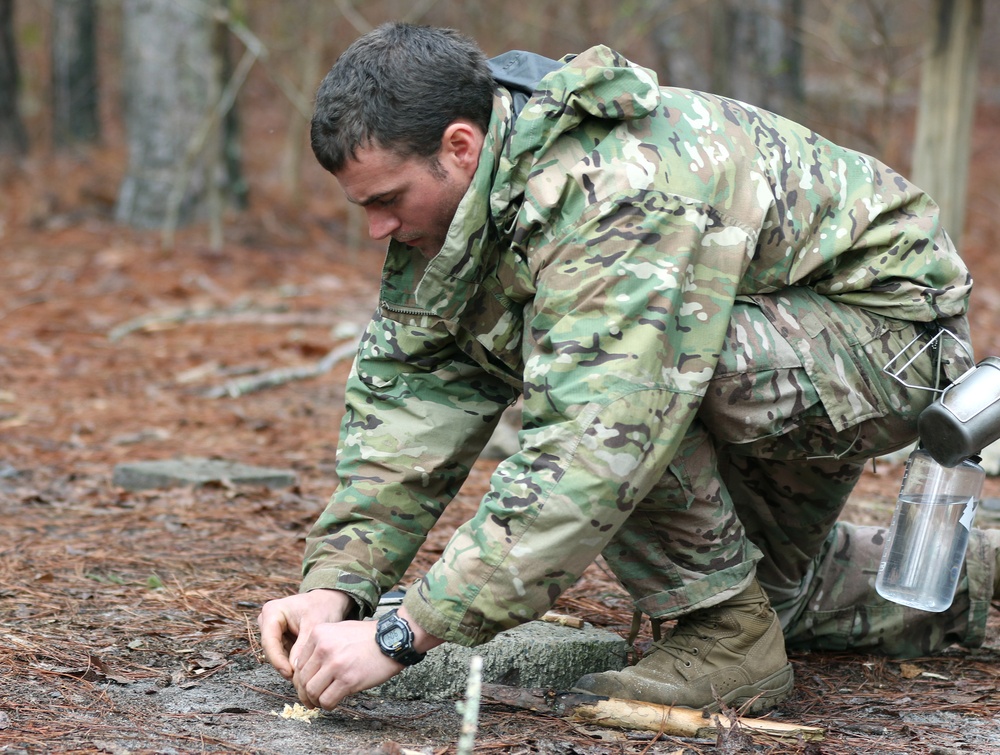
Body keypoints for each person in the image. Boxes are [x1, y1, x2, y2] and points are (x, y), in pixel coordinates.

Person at [258, 22, 1000, 714]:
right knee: (779, 596)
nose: (376, 229)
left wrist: (406, 632)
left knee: (618, 375)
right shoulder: (468, 208)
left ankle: (725, 637)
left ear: (459, 146)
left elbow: (600, 434)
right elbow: (411, 397)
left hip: (886, 344)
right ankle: (974, 578)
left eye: (388, 200)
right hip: (774, 344)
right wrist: (339, 585)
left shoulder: (610, 188)